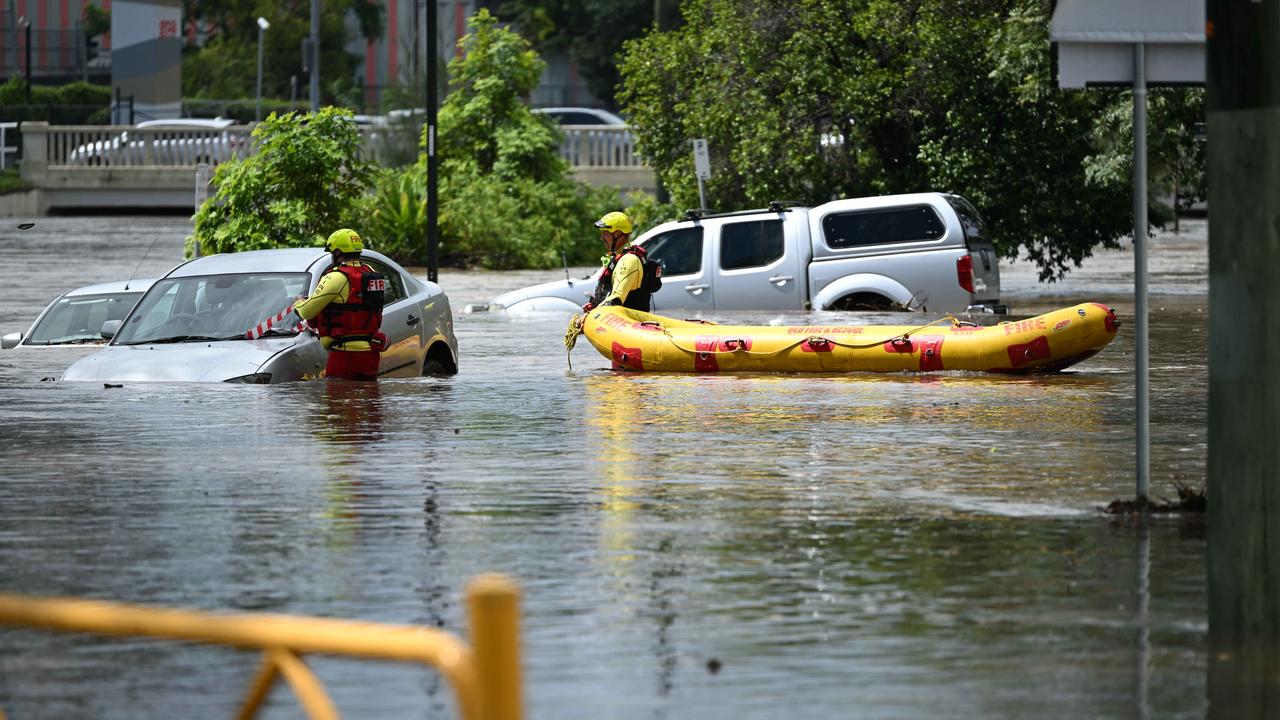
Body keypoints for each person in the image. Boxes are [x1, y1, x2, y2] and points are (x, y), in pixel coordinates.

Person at [294, 228, 388, 381]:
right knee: (369, 402)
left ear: (337, 252)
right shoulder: (370, 272)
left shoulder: (336, 277)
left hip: (345, 354)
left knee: (338, 403)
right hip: (371, 354)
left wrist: (297, 303)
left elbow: (306, 312)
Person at [581, 211, 661, 315]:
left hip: (632, 324)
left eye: (605, 233)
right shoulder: (618, 257)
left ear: (618, 234)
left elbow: (616, 299)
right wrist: (594, 306)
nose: (602, 238)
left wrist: (589, 316)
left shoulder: (629, 260)